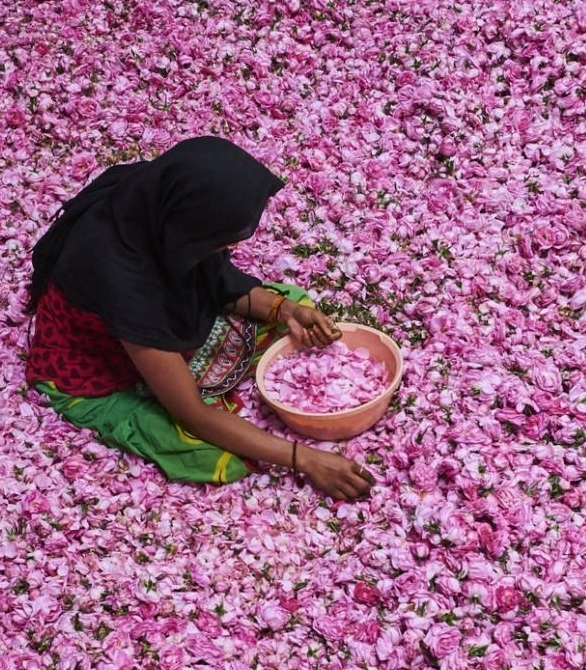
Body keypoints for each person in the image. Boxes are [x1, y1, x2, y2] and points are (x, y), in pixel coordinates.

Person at [23, 137, 376, 501]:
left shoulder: (156, 197)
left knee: (297, 307)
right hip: (97, 372)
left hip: (147, 316)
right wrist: (305, 459)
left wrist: (284, 311)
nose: (229, 249)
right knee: (213, 453)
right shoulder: (122, 279)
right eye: (221, 239)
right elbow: (191, 412)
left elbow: (211, 277)